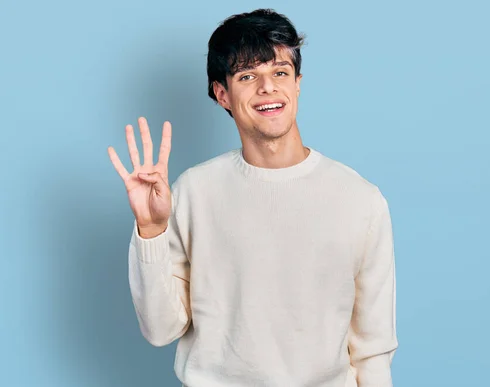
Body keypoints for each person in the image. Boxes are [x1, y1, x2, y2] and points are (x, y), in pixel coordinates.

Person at [107, 8, 398, 387]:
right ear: (222, 94)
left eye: (280, 72)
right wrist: (151, 229)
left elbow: (373, 351)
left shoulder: (360, 200)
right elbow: (161, 329)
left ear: (297, 84)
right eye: (248, 76)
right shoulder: (193, 192)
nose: (268, 88)